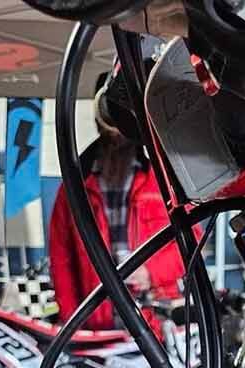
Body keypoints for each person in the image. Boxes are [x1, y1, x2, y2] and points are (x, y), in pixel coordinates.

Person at [47, 73, 183, 331]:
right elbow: (61, 258)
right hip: (100, 328)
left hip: (156, 323)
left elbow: (189, 241)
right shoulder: (74, 188)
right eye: (109, 114)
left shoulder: (164, 178)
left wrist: (151, 273)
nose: (115, 128)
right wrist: (72, 320)